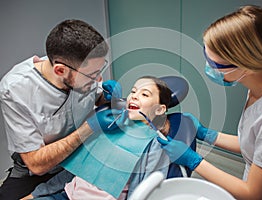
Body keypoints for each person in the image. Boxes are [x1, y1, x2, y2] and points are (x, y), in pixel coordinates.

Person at [158, 5, 262, 200]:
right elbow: (256, 145)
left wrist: (194, 161)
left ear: (245, 65)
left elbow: (253, 193)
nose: (208, 67)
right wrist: (208, 134)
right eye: (206, 55)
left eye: (215, 64)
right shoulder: (259, 87)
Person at [0, 19, 124, 200]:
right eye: (92, 75)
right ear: (60, 70)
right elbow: (36, 164)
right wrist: (88, 128)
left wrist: (108, 97)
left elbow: (97, 96)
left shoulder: (81, 74)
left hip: (80, 159)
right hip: (38, 172)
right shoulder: (15, 89)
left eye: (100, 70)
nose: (98, 80)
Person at [23, 76, 173, 200]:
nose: (134, 95)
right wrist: (36, 194)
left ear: (160, 109)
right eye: (133, 91)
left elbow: (143, 191)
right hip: (67, 195)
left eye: (144, 94)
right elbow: (77, 168)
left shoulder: (156, 145)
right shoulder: (110, 123)